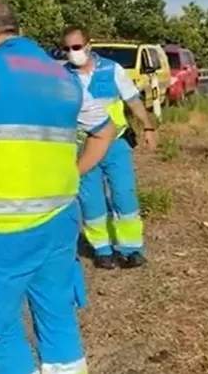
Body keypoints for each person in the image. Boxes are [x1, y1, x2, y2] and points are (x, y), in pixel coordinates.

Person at [0, 0, 114, 374]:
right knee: (57, 315)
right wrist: (73, 174)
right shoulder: (62, 74)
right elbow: (105, 131)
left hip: (3, 229)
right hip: (60, 219)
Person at [62, 26, 157, 270]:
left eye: (76, 47)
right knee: (91, 200)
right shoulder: (63, 76)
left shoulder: (111, 70)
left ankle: (131, 249)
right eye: (67, 48)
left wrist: (148, 127)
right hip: (82, 146)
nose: (72, 53)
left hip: (115, 143)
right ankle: (102, 249)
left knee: (124, 195)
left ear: (88, 45)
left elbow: (133, 100)